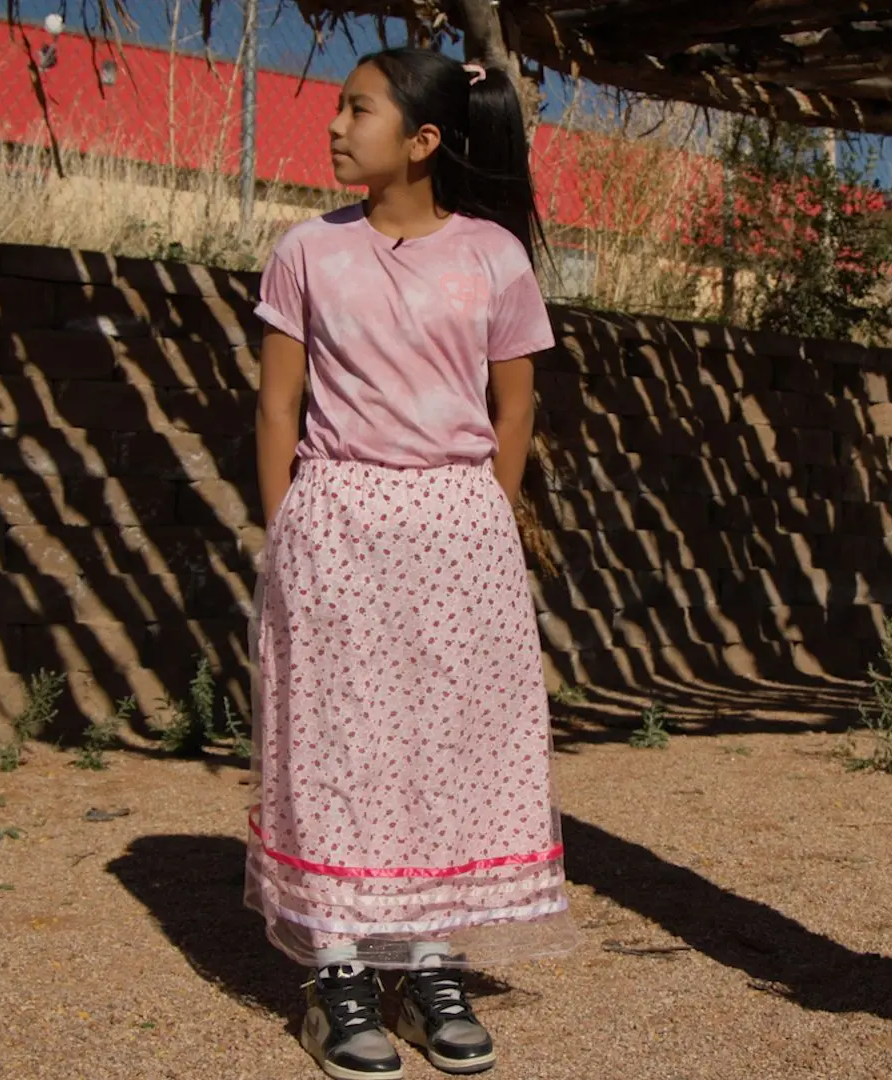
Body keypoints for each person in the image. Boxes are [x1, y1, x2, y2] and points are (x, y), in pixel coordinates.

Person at [244, 46, 574, 1080]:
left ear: (424, 139)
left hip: (457, 530)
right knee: (335, 740)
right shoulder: (307, 251)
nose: (334, 126)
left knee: (447, 743)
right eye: (338, 108)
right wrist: (287, 532)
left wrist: (485, 517)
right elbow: (277, 406)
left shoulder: (493, 258)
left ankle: (431, 967)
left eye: (359, 110)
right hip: (335, 524)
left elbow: (513, 408)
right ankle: (337, 972)